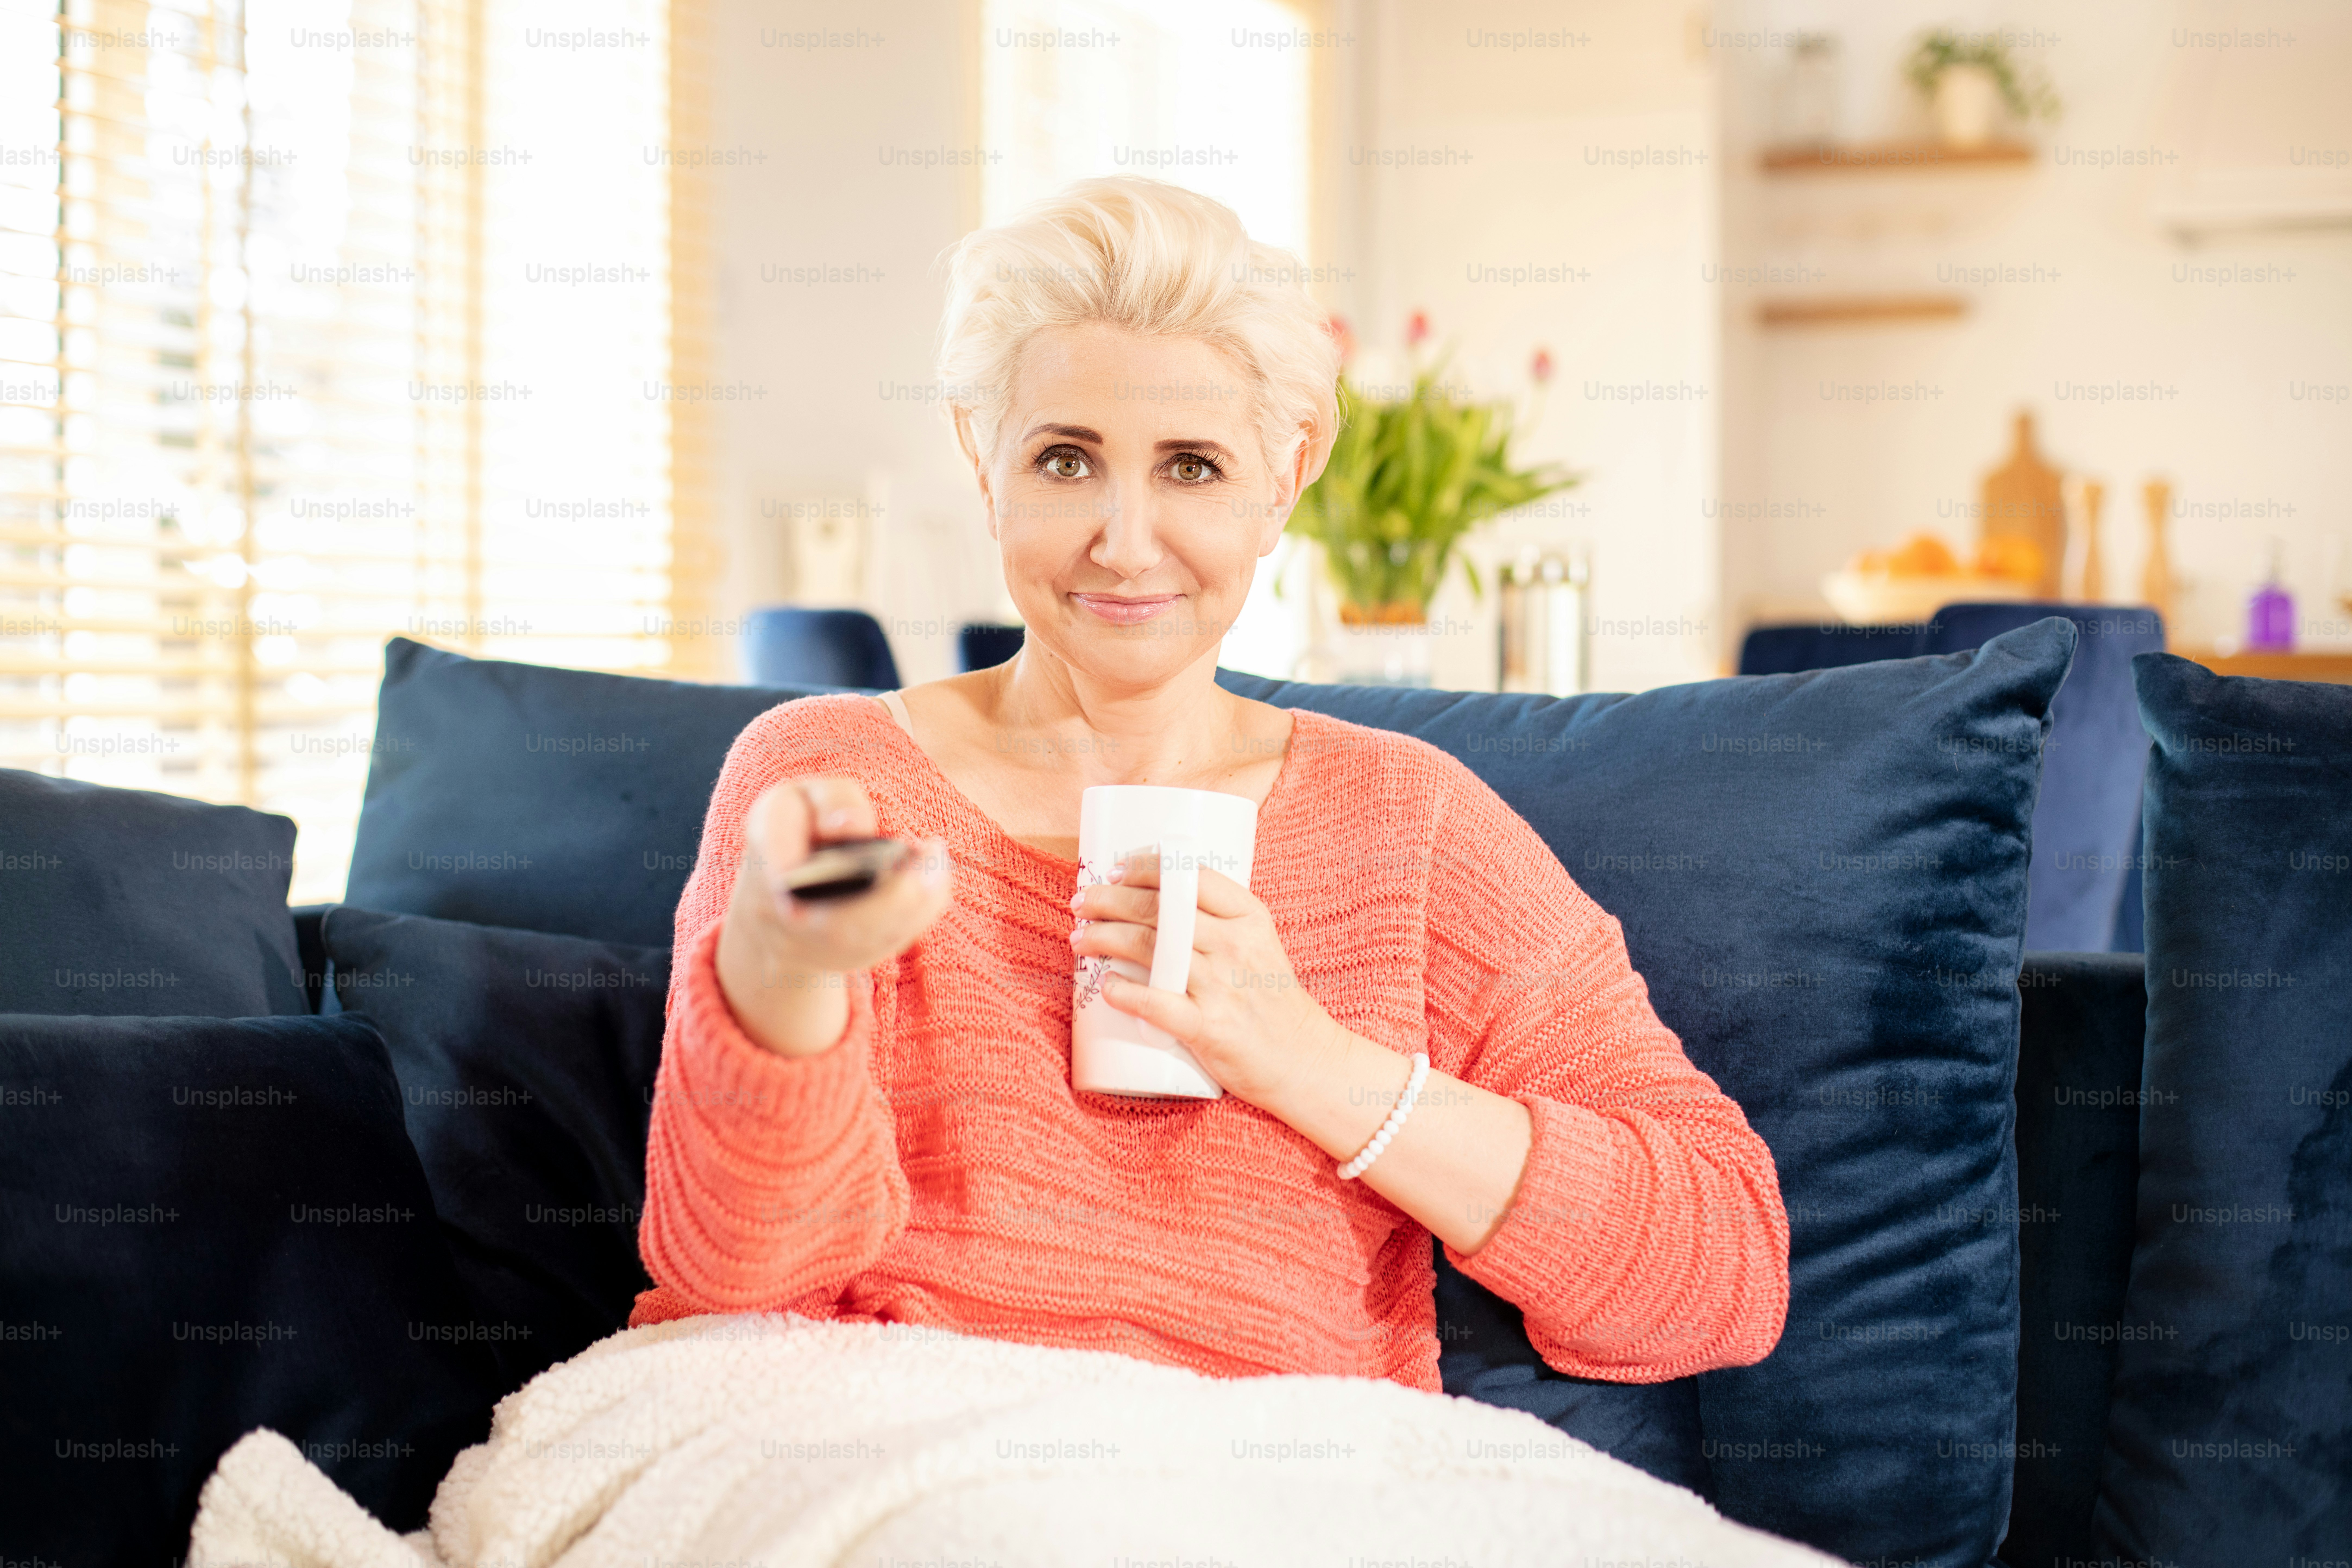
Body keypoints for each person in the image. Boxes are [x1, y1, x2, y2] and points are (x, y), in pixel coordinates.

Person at [631, 177, 1788, 1388]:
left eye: (1190, 466)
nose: (1125, 542)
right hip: (897, 1451)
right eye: (1066, 459)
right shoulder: (832, 785)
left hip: (1261, 1487)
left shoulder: (1409, 825)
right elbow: (736, 1295)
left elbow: (1719, 1276)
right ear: (985, 464)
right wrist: (779, 975)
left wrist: (1303, 1058)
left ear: (1283, 479)